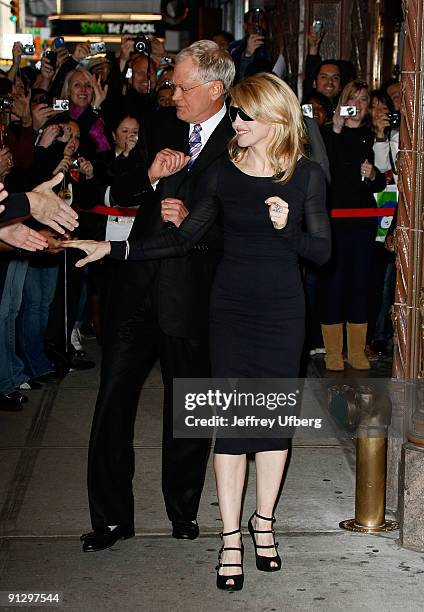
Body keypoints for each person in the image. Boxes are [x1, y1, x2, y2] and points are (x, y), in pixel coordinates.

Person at [65, 74, 331, 592]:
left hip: (282, 313)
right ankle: (230, 536)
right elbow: (181, 241)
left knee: (272, 426)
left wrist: (289, 229)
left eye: (246, 116)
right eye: (235, 114)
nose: (237, 124)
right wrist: (112, 251)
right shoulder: (223, 175)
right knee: (232, 427)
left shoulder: (307, 176)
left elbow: (323, 253)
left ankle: (264, 524)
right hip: (230, 312)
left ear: (276, 118)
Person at [63, 40, 236, 553]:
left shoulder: (244, 136)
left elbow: (252, 225)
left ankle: (183, 509)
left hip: (193, 292)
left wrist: (200, 230)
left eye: (183, 87)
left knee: (189, 407)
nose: (173, 94)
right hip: (136, 286)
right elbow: (123, 186)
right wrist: (149, 177)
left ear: (215, 88)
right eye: (171, 84)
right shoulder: (160, 124)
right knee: (112, 401)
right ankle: (112, 518)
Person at [320, 80, 386, 371]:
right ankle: (333, 350)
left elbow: (386, 179)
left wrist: (374, 175)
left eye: (363, 99)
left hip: (362, 220)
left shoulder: (373, 137)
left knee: (361, 283)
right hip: (333, 220)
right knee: (334, 284)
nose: (357, 105)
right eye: (352, 99)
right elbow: (323, 167)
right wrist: (335, 126)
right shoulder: (328, 134)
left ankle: (357, 349)